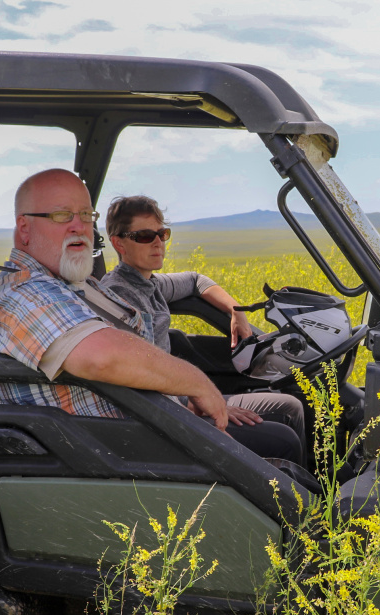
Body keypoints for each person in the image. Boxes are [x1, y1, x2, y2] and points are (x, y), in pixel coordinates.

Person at [0, 168, 302, 463]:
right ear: (25, 227)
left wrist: (235, 312)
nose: (78, 226)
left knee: (283, 442)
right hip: (112, 454)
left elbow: (191, 282)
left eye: (86, 215)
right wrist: (197, 386)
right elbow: (103, 358)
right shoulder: (23, 292)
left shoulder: (73, 284)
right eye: (61, 215)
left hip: (131, 430)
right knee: (283, 450)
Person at [99, 195, 306, 464]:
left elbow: (197, 281)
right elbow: (142, 376)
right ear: (119, 243)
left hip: (183, 402)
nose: (158, 243)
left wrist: (236, 310)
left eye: (162, 234)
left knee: (290, 407)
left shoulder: (150, 283)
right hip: (168, 420)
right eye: (145, 236)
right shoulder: (120, 296)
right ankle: (298, 501)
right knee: (284, 440)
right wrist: (200, 406)